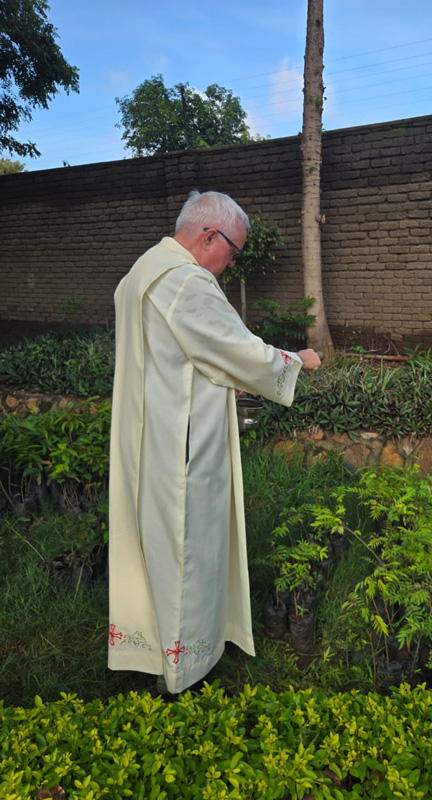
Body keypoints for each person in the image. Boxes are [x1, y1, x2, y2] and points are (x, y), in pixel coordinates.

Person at [108, 190, 321, 693]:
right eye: (234, 250)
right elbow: (236, 350)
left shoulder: (140, 272)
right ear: (209, 237)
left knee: (153, 548)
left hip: (145, 438)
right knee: (187, 550)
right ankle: (183, 668)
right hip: (184, 445)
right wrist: (297, 361)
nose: (231, 262)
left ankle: (153, 647)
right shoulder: (186, 281)